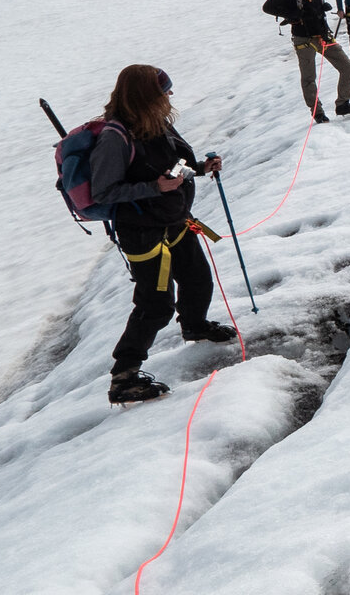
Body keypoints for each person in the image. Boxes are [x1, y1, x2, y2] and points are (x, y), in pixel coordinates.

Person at [88, 64, 238, 405]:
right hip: (143, 234)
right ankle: (123, 378)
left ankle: (195, 325)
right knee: (155, 305)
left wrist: (199, 168)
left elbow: (172, 166)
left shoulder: (155, 123)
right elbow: (103, 192)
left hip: (176, 221)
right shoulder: (115, 137)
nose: (169, 96)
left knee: (198, 279)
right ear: (145, 96)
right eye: (163, 92)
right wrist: (154, 187)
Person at [263, 0, 350, 121]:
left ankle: (343, 103)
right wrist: (292, 15)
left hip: (322, 34)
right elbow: (268, 7)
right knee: (309, 78)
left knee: (347, 66)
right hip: (302, 38)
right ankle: (317, 112)